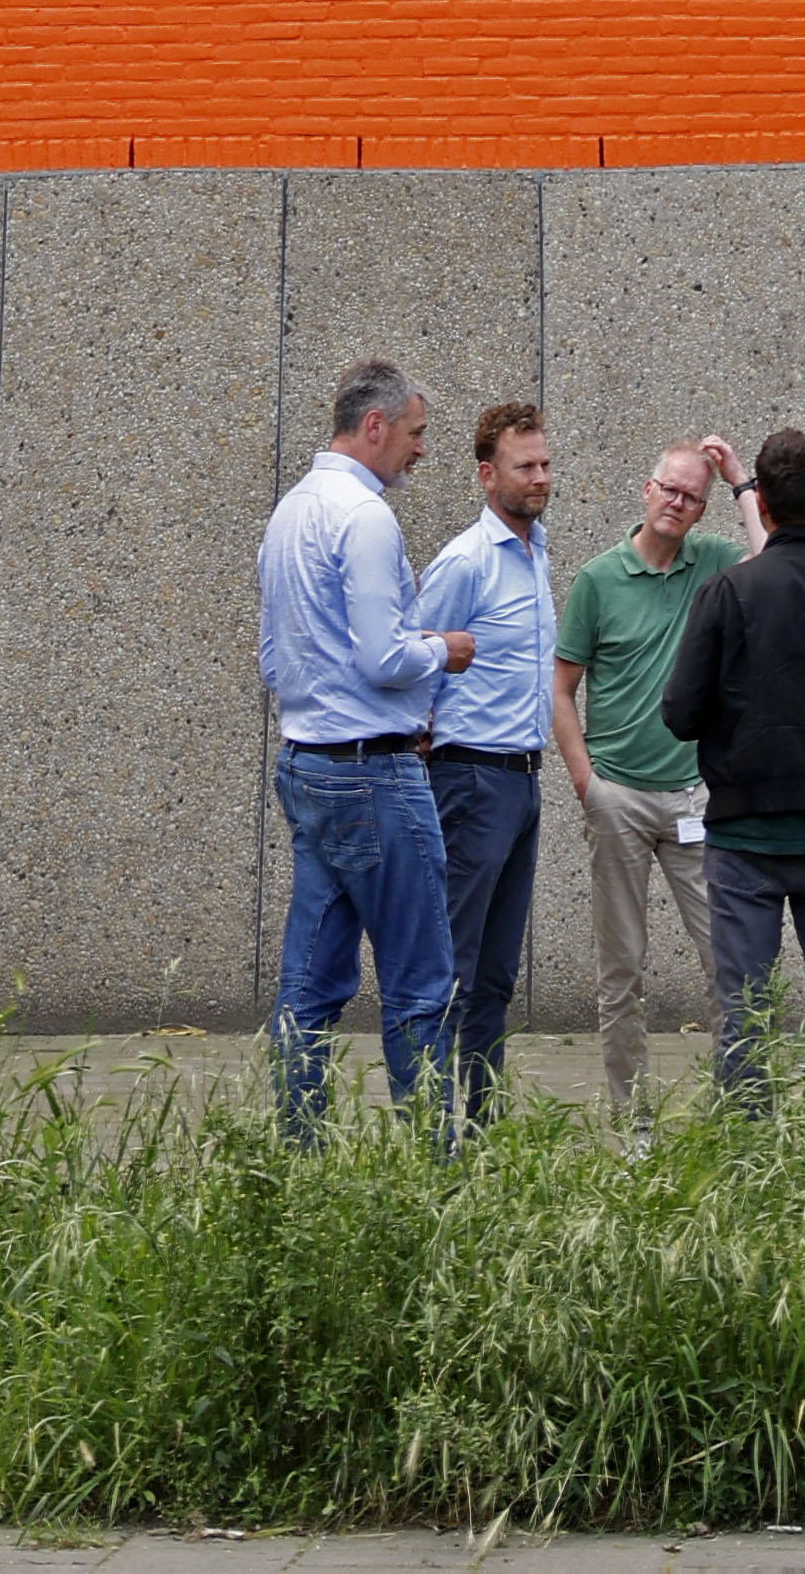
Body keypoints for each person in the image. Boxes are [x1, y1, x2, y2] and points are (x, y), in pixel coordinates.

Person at [658, 418, 805, 1090]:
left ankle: (747, 1167)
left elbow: (679, 714)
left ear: (757, 499)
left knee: (745, 1017)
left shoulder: (728, 592)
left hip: (744, 840)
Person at [253, 354, 455, 1128]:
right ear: (374, 426)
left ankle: (295, 1154)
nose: (420, 449)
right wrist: (445, 648)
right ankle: (434, 1169)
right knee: (419, 982)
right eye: (414, 432)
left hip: (307, 765)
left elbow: (274, 661)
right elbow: (384, 656)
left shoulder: (288, 514)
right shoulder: (366, 518)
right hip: (374, 772)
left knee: (311, 984)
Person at [556, 429, 746, 1116]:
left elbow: (775, 557)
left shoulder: (714, 564)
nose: (677, 503)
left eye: (692, 497)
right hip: (620, 800)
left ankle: (738, 1115)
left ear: (702, 510)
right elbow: (560, 686)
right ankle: (633, 1124)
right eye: (669, 489)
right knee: (622, 974)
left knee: (732, 967)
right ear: (646, 490)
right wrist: (588, 785)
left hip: (695, 799)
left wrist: (737, 479)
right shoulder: (598, 580)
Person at [413, 399, 559, 1118]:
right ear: (485, 475)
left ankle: (482, 1122)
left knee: (498, 975)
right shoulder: (464, 563)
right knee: (456, 969)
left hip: (524, 783)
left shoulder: (536, 556)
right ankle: (435, 1127)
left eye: (544, 463)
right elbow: (414, 668)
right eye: (523, 466)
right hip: (470, 781)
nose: (539, 478)